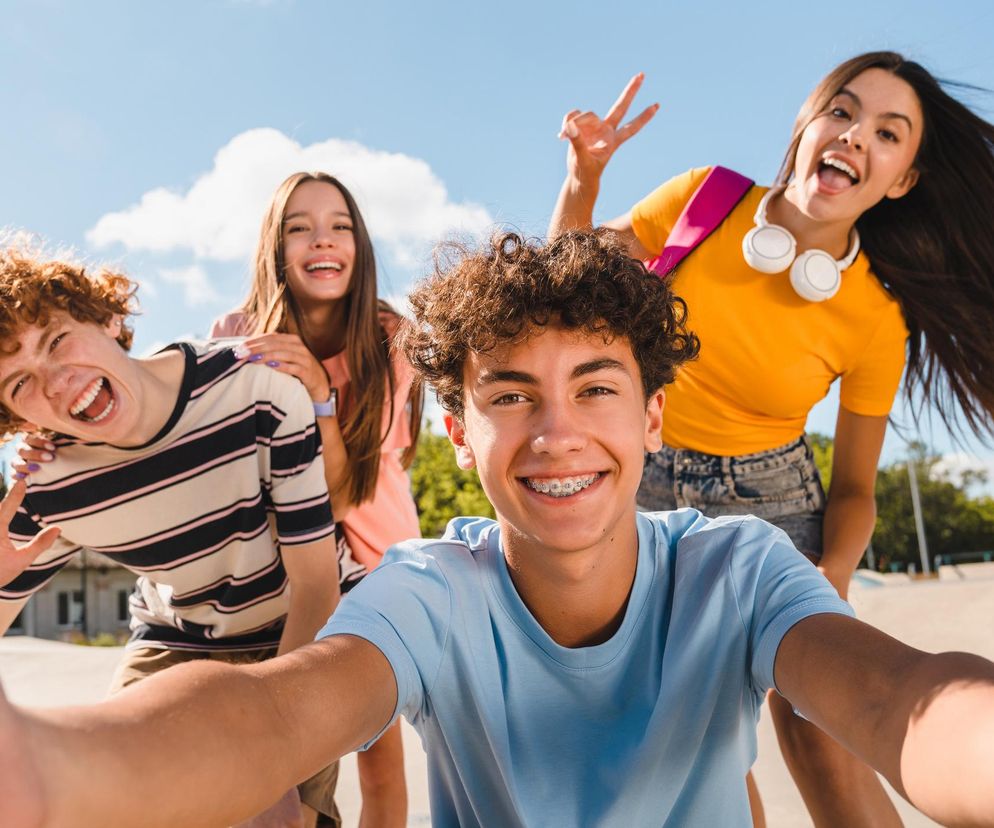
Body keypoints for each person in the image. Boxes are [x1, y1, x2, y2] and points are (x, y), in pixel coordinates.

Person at [3, 230, 994, 828]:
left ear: (653, 416)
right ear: (455, 432)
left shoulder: (734, 568)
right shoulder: (434, 590)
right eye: (511, 396)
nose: (557, 435)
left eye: (596, 389)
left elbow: (898, 700)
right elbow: (276, 711)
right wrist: (45, 774)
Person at [549, 52, 994, 827]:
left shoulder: (874, 322)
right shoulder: (704, 199)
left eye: (888, 133)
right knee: (686, 737)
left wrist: (837, 574)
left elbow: (854, 488)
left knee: (819, 722)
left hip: (774, 503)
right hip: (638, 488)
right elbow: (564, 289)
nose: (855, 137)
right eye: (844, 111)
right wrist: (584, 181)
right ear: (806, 123)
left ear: (901, 181)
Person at [0, 243, 342, 827]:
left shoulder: (257, 389)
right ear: (18, 420)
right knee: (114, 808)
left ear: (106, 318)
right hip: (175, 641)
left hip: (293, 632)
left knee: (278, 820)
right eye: (19, 385)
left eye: (57, 341)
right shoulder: (50, 487)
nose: (57, 383)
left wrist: (272, 750)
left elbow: (316, 586)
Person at [210, 171, 422, 827]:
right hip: (275, 570)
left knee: (379, 763)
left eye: (339, 226)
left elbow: (341, 493)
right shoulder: (236, 332)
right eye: (299, 227)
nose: (321, 241)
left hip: (373, 563)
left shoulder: (394, 339)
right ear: (277, 247)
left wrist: (319, 397)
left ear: (359, 244)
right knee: (270, 757)